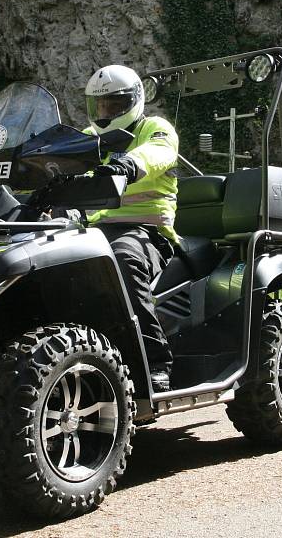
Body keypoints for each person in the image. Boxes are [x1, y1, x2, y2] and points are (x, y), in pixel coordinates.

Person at [84, 64, 179, 392]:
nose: (106, 111)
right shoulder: (89, 138)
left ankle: (154, 359)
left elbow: (158, 153)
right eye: (101, 105)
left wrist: (128, 163)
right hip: (92, 232)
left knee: (122, 260)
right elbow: (61, 156)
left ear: (133, 101)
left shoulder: (154, 127)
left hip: (147, 232)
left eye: (114, 104)